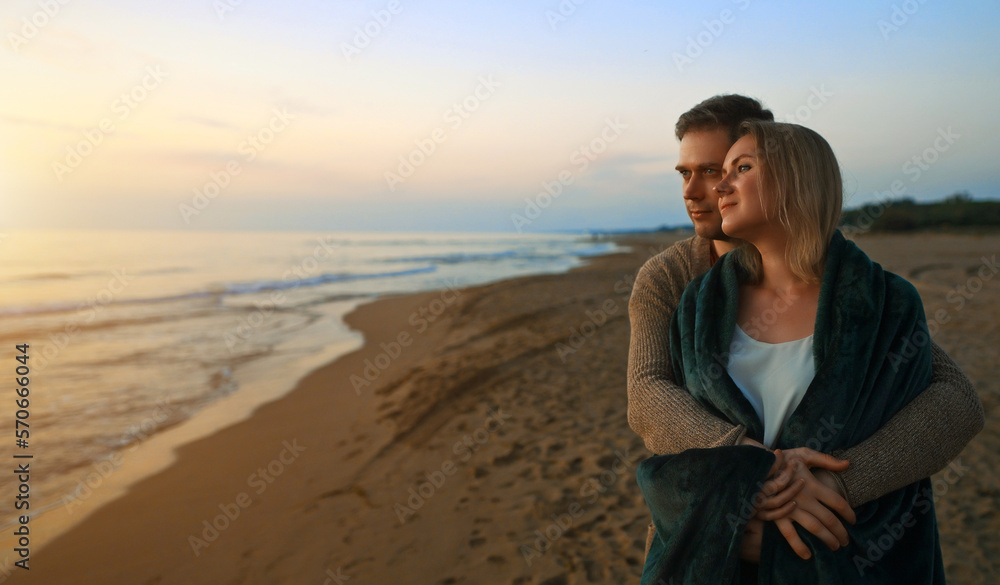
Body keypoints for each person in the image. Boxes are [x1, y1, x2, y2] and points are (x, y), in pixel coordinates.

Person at [627, 97, 984, 580]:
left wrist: (838, 482)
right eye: (684, 173)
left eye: (715, 169)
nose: (695, 191)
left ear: (785, 167)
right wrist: (756, 470)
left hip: (836, 542)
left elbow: (955, 398)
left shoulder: (860, 292)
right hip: (707, 535)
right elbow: (647, 393)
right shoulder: (671, 280)